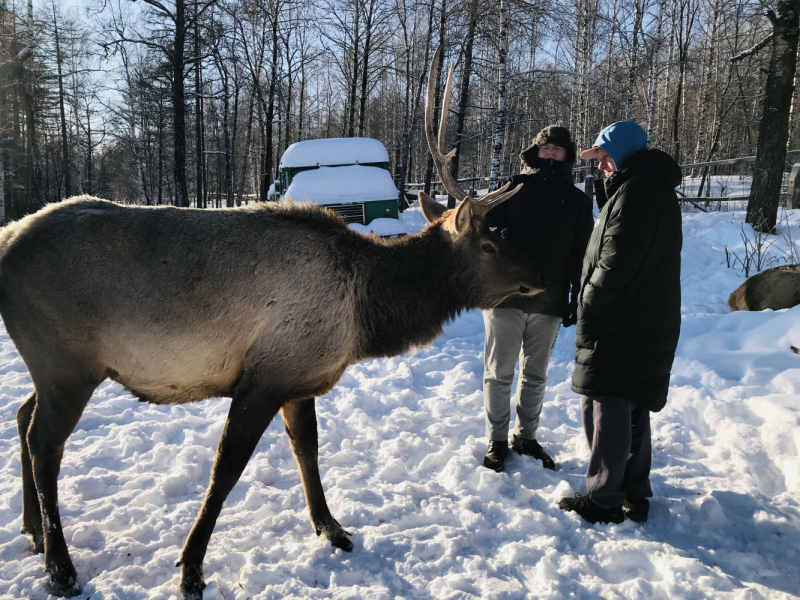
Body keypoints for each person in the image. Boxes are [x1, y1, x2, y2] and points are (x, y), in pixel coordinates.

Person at [558, 121, 682, 524]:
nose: (603, 166)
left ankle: (603, 499)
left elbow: (617, 261)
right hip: (639, 318)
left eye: (606, 156)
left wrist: (589, 300)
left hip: (621, 319)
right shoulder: (645, 186)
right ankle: (633, 493)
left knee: (605, 404)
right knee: (630, 406)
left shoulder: (639, 191)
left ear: (625, 152)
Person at [482, 126, 594, 472]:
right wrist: (505, 236)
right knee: (499, 372)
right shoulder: (511, 190)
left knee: (536, 374)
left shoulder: (577, 200)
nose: (550, 153)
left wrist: (577, 295)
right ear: (534, 151)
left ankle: (525, 436)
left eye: (558, 149)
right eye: (545, 148)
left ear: (567, 155)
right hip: (505, 294)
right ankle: (497, 440)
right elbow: (481, 231)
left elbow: (582, 253)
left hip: (550, 297)